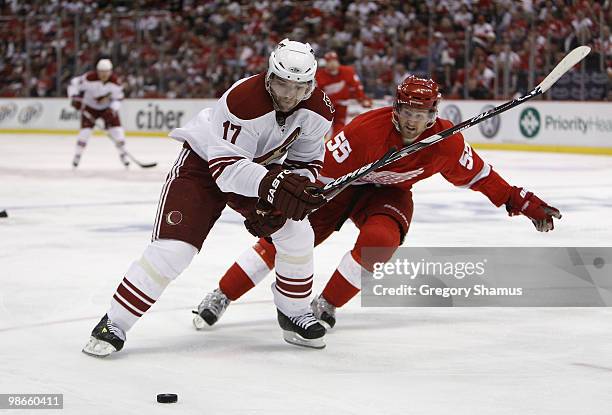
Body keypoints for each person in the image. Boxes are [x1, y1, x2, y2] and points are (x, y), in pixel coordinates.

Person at [193, 75, 561, 330]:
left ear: (433, 114)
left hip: (389, 195)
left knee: (381, 242)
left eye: (422, 115)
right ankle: (222, 294)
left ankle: (327, 304)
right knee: (284, 239)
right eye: (407, 113)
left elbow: (480, 176)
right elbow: (317, 174)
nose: (413, 122)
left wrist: (522, 202)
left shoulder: (446, 142)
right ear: (396, 108)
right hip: (339, 189)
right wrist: (285, 205)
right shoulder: (364, 131)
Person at [82, 39, 334, 357]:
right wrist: (276, 187)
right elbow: (226, 171)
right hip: (203, 167)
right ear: (269, 75)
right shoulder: (244, 100)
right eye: (282, 83)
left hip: (258, 173)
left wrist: (299, 188)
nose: (289, 94)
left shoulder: (318, 111)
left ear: (310, 84)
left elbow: (306, 162)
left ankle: (294, 313)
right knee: (174, 250)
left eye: (298, 87)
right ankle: (114, 322)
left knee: (298, 233)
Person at [67, 59, 130, 168]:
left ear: (110, 71)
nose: (104, 74)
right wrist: (74, 98)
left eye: (106, 71)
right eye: (101, 71)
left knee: (118, 132)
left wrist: (112, 110)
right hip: (89, 108)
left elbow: (118, 99)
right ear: (97, 71)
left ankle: (123, 155)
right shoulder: (88, 78)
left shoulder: (115, 83)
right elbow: (73, 83)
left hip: (107, 108)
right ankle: (77, 155)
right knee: (84, 133)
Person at [315, 51, 372, 139]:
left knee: (339, 124)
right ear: (326, 63)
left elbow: (357, 86)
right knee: (323, 124)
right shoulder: (319, 76)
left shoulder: (347, 71)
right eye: (330, 61)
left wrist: (362, 99)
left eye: (334, 60)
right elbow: (316, 94)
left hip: (341, 103)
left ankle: (335, 143)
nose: (333, 64)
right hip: (326, 105)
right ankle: (319, 144)